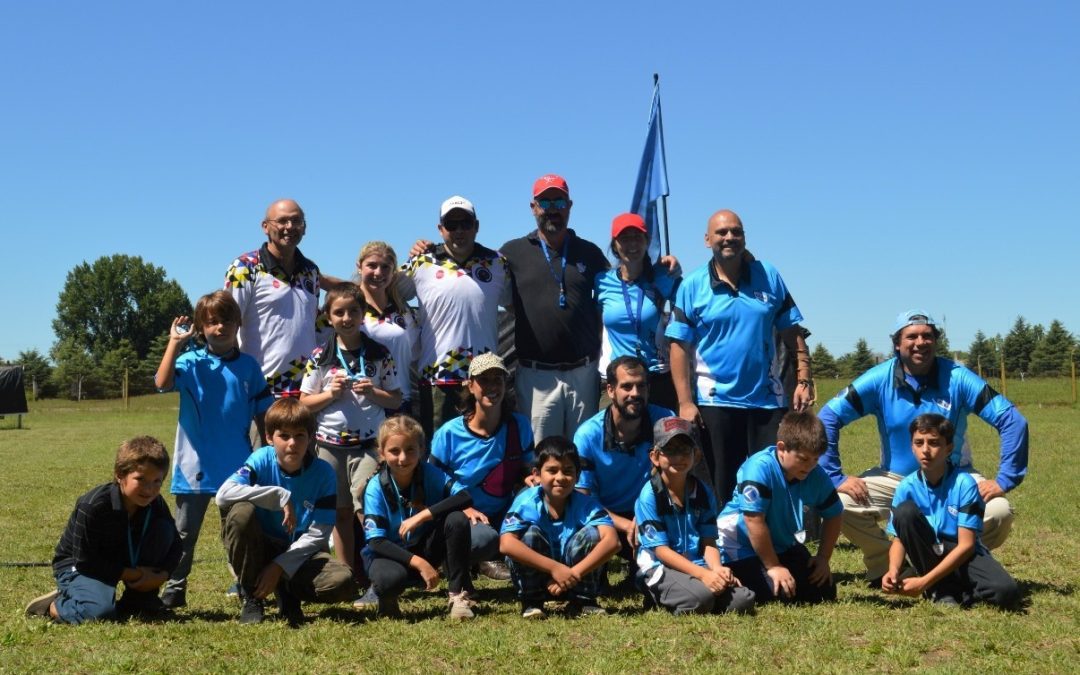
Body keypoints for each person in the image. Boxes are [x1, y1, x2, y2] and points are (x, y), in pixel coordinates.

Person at [818, 310, 1028, 585]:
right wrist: (835, 476)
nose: (920, 342)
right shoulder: (879, 379)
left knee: (999, 512)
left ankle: (956, 562)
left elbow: (1012, 420)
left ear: (936, 341)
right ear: (897, 343)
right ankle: (888, 567)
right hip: (895, 479)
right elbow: (828, 417)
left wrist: (1004, 479)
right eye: (912, 336)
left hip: (953, 478)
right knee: (840, 505)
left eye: (927, 335)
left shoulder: (958, 378)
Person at [666, 209, 813, 503]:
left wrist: (804, 378)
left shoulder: (768, 276)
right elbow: (679, 347)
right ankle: (726, 545)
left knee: (769, 478)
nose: (729, 237)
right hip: (714, 402)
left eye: (736, 231)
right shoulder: (692, 286)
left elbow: (792, 332)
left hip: (766, 401)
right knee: (723, 484)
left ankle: (770, 544)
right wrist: (684, 402)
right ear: (707, 240)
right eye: (721, 233)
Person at [152, 291, 274, 608]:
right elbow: (162, 383)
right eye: (212, 322)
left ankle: (246, 587)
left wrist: (268, 443)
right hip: (193, 467)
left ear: (238, 323)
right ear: (201, 327)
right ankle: (175, 590)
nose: (220, 327)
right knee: (183, 534)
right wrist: (174, 343)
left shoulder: (249, 366)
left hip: (236, 465)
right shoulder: (190, 362)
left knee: (239, 529)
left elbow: (263, 411)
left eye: (226, 320)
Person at [216, 398, 356, 625]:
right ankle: (252, 595)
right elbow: (223, 495)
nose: (292, 443)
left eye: (300, 435)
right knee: (241, 512)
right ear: (270, 438)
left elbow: (320, 532)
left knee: (342, 581)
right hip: (258, 544)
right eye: (284, 436)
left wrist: (280, 565)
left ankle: (287, 589)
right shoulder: (260, 459)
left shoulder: (324, 473)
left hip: (296, 550)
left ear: (310, 437)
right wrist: (278, 494)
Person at [499, 174, 611, 443]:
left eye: (559, 201)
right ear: (533, 207)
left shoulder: (590, 252)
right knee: (540, 457)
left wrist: (661, 268)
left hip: (583, 373)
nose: (552, 209)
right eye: (545, 202)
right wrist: (429, 249)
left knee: (582, 454)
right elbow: (473, 272)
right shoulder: (512, 252)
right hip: (536, 376)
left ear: (569, 206)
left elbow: (624, 286)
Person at [300, 283, 402, 573]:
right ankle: (347, 575)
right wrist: (330, 395)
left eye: (353, 311)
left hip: (368, 446)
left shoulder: (379, 354)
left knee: (368, 509)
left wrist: (374, 393)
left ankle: (379, 572)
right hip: (329, 447)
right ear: (328, 317)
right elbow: (304, 403)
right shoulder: (319, 356)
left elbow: (396, 398)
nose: (346, 318)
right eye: (339, 312)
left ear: (363, 314)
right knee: (341, 513)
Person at [26, 437, 182, 624]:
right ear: (119, 474)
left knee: (165, 531)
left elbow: (176, 545)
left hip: (122, 561)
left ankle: (140, 600)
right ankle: (56, 605)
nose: (149, 489)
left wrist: (162, 575)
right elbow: (85, 561)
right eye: (140, 479)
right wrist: (137, 575)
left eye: (157, 481)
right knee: (99, 614)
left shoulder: (154, 503)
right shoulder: (93, 505)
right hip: (82, 565)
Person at [882, 414, 1021, 610]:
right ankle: (940, 590)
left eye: (934, 443)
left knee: (1006, 592)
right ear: (912, 447)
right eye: (918, 443)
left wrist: (922, 583)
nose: (925, 450)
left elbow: (966, 546)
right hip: (927, 550)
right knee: (905, 512)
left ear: (949, 448)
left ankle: (948, 589)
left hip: (959, 550)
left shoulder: (965, 484)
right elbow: (898, 539)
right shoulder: (906, 487)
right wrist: (893, 570)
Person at [400, 196, 511, 440]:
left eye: (466, 223)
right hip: (438, 379)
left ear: (477, 226)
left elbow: (517, 307)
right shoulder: (420, 262)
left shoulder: (497, 263)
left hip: (485, 379)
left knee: (486, 446)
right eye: (451, 225)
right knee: (438, 452)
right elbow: (386, 293)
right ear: (440, 230)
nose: (459, 230)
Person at [429, 353, 537, 581]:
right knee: (483, 540)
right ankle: (461, 560)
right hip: (462, 515)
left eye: (497, 379)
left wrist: (529, 477)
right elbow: (433, 484)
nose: (492, 387)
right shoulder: (448, 433)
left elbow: (526, 466)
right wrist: (462, 508)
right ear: (470, 385)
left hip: (505, 511)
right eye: (483, 380)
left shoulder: (519, 425)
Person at [716, 411, 843, 604]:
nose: (810, 466)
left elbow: (834, 514)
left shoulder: (815, 474)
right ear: (782, 448)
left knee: (822, 589)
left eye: (815, 459)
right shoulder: (760, 467)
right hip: (738, 546)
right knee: (781, 593)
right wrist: (773, 566)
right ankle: (722, 579)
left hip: (780, 544)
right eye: (803, 459)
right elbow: (753, 521)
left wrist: (823, 558)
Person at [634, 416, 756, 615]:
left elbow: (708, 541)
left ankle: (694, 592)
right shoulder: (650, 495)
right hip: (660, 567)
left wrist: (716, 569)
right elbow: (661, 551)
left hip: (696, 564)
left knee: (743, 600)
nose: (679, 457)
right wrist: (703, 575)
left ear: (696, 455)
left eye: (685, 450)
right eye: (670, 450)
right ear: (655, 456)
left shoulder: (703, 492)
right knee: (702, 598)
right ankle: (656, 595)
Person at [361, 416, 478, 619]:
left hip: (425, 546)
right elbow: (376, 541)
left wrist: (424, 515)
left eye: (410, 450)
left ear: (421, 450)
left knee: (457, 519)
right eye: (394, 451)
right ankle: (387, 600)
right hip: (390, 554)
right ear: (381, 453)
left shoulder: (431, 473)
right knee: (388, 580)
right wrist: (419, 563)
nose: (403, 458)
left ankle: (458, 595)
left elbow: (464, 496)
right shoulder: (375, 487)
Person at [573, 355, 674, 577]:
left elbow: (678, 478)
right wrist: (627, 526)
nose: (635, 394)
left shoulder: (665, 421)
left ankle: (641, 571)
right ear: (610, 390)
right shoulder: (588, 435)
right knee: (587, 531)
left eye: (641, 386)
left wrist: (646, 514)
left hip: (649, 513)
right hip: (604, 516)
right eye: (626, 386)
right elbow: (583, 498)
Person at [226, 199, 332, 405]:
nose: (289, 227)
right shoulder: (244, 268)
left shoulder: (310, 271)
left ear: (305, 228)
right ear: (265, 227)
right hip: (261, 389)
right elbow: (229, 324)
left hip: (307, 391)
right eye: (282, 221)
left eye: (296, 221)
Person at [500, 436, 620, 618]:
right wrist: (555, 568)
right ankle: (531, 602)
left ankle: (584, 600)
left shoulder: (587, 504)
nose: (560, 477)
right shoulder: (526, 501)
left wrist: (571, 574)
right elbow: (506, 544)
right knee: (529, 534)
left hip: (574, 578)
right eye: (552, 470)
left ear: (578, 475)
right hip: (540, 578)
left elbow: (613, 542)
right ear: (537, 474)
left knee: (593, 535)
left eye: (568, 470)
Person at [596, 213, 681, 410]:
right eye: (625, 238)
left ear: (647, 241)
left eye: (637, 237)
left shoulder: (663, 276)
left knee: (663, 440)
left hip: (657, 378)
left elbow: (688, 314)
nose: (632, 244)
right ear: (614, 244)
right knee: (613, 438)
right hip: (619, 380)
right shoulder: (601, 281)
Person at [355, 241, 419, 416]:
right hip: (358, 405)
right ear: (359, 267)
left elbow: (413, 355)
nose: (378, 273)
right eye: (372, 266)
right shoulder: (346, 309)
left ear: (393, 272)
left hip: (400, 402)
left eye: (385, 267)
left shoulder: (404, 312)